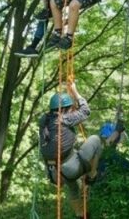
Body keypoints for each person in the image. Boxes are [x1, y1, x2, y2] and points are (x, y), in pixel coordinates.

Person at [38, 80, 102, 219]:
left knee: (73, 188)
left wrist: (68, 102)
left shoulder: (44, 120)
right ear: (63, 110)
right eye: (69, 108)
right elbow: (85, 111)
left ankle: (80, 215)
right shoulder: (64, 119)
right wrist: (75, 92)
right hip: (70, 168)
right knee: (96, 140)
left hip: (53, 173)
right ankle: (91, 176)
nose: (71, 110)